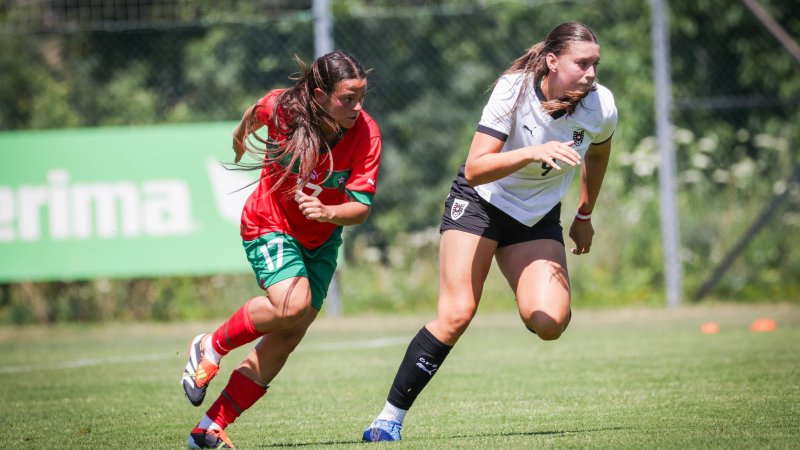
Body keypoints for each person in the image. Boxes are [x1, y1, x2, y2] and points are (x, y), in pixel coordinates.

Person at [362, 21, 617, 442]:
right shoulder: (514, 89)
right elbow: (477, 168)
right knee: (457, 314)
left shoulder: (601, 104)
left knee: (550, 322)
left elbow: (599, 155)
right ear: (552, 61)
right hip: (480, 203)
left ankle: (533, 292)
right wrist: (532, 152)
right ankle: (388, 419)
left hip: (535, 216)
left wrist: (585, 215)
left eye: (595, 64)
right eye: (581, 64)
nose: (591, 74)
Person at [181, 50, 381, 449]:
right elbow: (256, 112)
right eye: (348, 98)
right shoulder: (285, 108)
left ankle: (208, 429)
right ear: (320, 95)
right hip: (269, 223)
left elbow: (360, 208)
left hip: (322, 240)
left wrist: (327, 211)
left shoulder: (367, 132)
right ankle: (210, 345)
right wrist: (240, 135)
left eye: (362, 96)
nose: (358, 107)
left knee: (289, 334)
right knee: (291, 304)